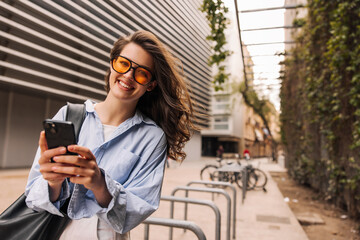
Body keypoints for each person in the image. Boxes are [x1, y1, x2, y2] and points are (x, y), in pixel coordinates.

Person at [25, 30, 196, 239]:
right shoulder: (68, 115)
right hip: (54, 233)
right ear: (112, 63)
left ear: (151, 84)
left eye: (141, 73)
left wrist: (100, 184)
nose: (128, 76)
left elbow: (138, 209)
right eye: (124, 64)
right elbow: (32, 197)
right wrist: (53, 182)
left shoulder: (152, 138)